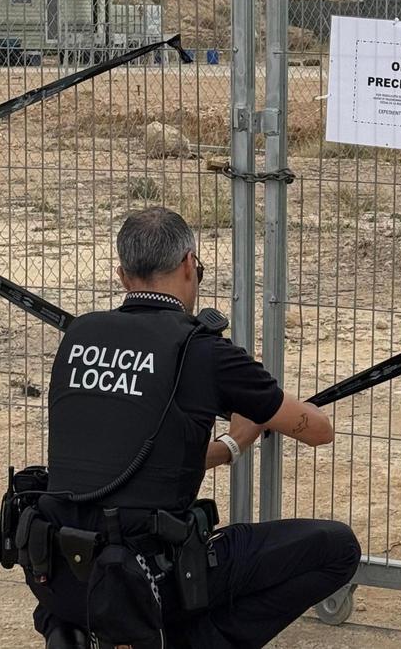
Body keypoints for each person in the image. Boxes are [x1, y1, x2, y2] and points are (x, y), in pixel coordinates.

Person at [26, 207, 360, 649]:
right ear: (189, 264)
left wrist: (226, 447)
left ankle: (76, 632)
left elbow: (135, 454)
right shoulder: (202, 350)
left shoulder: (79, 336)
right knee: (336, 549)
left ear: (123, 275)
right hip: (146, 577)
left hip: (56, 575)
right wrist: (248, 422)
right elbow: (319, 430)